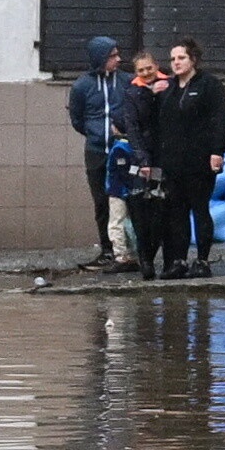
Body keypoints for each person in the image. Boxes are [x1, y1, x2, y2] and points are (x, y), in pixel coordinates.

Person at [147, 41, 225, 279]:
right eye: (173, 59)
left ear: (193, 60)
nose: (176, 62)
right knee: (177, 212)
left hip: (199, 160)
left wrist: (218, 151)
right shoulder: (168, 88)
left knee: (200, 209)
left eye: (181, 58)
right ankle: (179, 260)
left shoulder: (209, 85)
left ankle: (202, 260)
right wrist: (151, 96)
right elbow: (156, 122)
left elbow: (220, 119)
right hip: (173, 162)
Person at [65, 35, 126, 270]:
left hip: (122, 149)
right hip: (97, 151)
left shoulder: (125, 81)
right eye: (113, 56)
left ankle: (127, 250)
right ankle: (107, 249)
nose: (118, 60)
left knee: (123, 202)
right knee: (101, 202)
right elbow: (77, 120)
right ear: (100, 58)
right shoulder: (82, 86)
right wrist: (96, 135)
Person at [115, 44, 171, 273]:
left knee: (161, 210)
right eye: (141, 70)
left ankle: (150, 256)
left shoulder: (170, 87)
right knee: (139, 209)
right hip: (141, 159)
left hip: (164, 158)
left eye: (149, 68)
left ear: (156, 67)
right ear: (136, 72)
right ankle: (145, 259)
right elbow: (133, 128)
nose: (146, 73)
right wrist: (142, 160)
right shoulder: (132, 92)